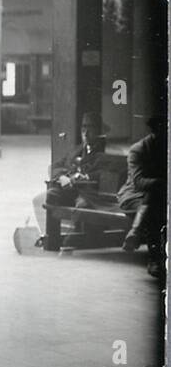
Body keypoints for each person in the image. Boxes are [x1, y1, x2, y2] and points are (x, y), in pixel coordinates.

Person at [31, 111, 108, 234]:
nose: (86, 133)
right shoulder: (76, 150)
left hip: (90, 194)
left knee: (82, 205)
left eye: (90, 127)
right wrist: (62, 177)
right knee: (50, 195)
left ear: (98, 130)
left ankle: (74, 239)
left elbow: (105, 174)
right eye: (84, 127)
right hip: (70, 192)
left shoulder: (106, 151)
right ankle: (50, 238)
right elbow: (54, 167)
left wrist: (83, 177)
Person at [118, 114, 167, 261]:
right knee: (155, 206)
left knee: (156, 198)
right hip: (133, 195)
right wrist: (163, 182)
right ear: (155, 130)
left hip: (157, 195)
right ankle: (155, 260)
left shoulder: (165, 146)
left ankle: (135, 232)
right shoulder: (138, 150)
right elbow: (138, 182)